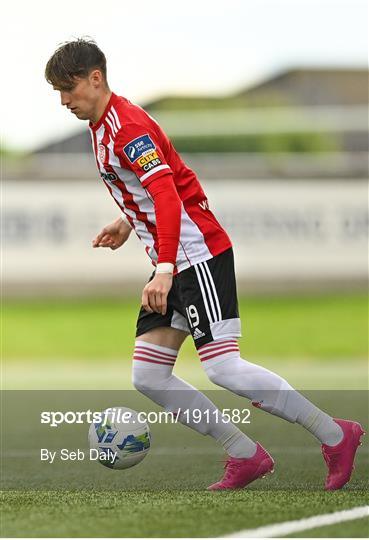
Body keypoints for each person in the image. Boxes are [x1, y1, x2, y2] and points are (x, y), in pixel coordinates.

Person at [45, 38, 364, 491]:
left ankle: (336, 435)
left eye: (68, 88)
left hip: (196, 257)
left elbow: (168, 196)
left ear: (95, 78)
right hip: (172, 261)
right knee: (150, 376)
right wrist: (126, 221)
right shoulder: (101, 126)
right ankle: (244, 453)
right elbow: (155, 185)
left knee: (223, 367)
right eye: (57, 91)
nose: (63, 100)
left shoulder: (127, 127)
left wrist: (165, 268)